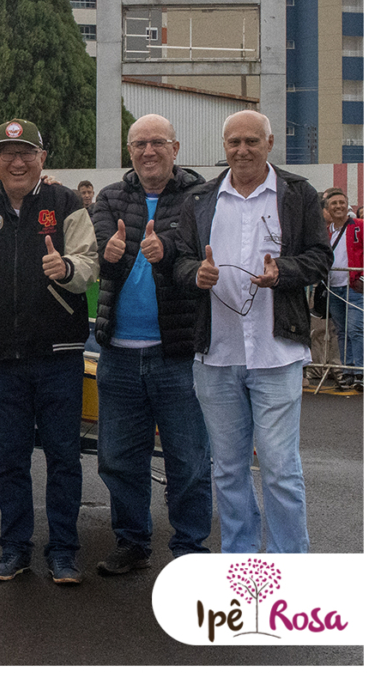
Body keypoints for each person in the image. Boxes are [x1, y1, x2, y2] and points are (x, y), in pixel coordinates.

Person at [0, 118, 99, 585]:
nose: (18, 161)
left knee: (63, 458)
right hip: (3, 356)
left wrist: (66, 268)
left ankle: (63, 551)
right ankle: (14, 549)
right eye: (8, 153)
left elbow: (89, 263)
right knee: (10, 460)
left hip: (59, 354)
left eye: (27, 152)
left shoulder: (65, 203)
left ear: (41, 158)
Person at [174, 110, 332, 554]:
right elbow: (180, 261)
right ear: (224, 146)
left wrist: (283, 271)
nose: (242, 150)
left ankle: (288, 563)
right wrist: (196, 274)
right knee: (227, 468)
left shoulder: (298, 193)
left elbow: (320, 257)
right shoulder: (200, 198)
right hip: (216, 354)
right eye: (234, 142)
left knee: (280, 468)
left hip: (276, 352)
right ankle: (240, 559)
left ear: (270, 143)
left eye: (251, 141)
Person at [91, 114, 212, 575]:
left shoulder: (200, 197)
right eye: (139, 144)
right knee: (119, 459)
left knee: (189, 460)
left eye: (157, 142)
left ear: (175, 148)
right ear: (129, 151)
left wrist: (169, 252)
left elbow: (201, 258)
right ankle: (132, 542)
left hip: (178, 353)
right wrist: (109, 256)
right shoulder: (110, 198)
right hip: (119, 353)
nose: (148, 151)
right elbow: (99, 254)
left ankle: (190, 548)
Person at [322, 188, 363, 390]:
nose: (338, 206)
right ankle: (348, 370)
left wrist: (363, 277)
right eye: (334, 203)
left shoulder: (360, 226)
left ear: (347, 206)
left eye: (341, 202)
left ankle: (361, 371)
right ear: (327, 208)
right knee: (342, 331)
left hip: (354, 287)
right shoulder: (326, 232)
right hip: (333, 288)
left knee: (356, 329)